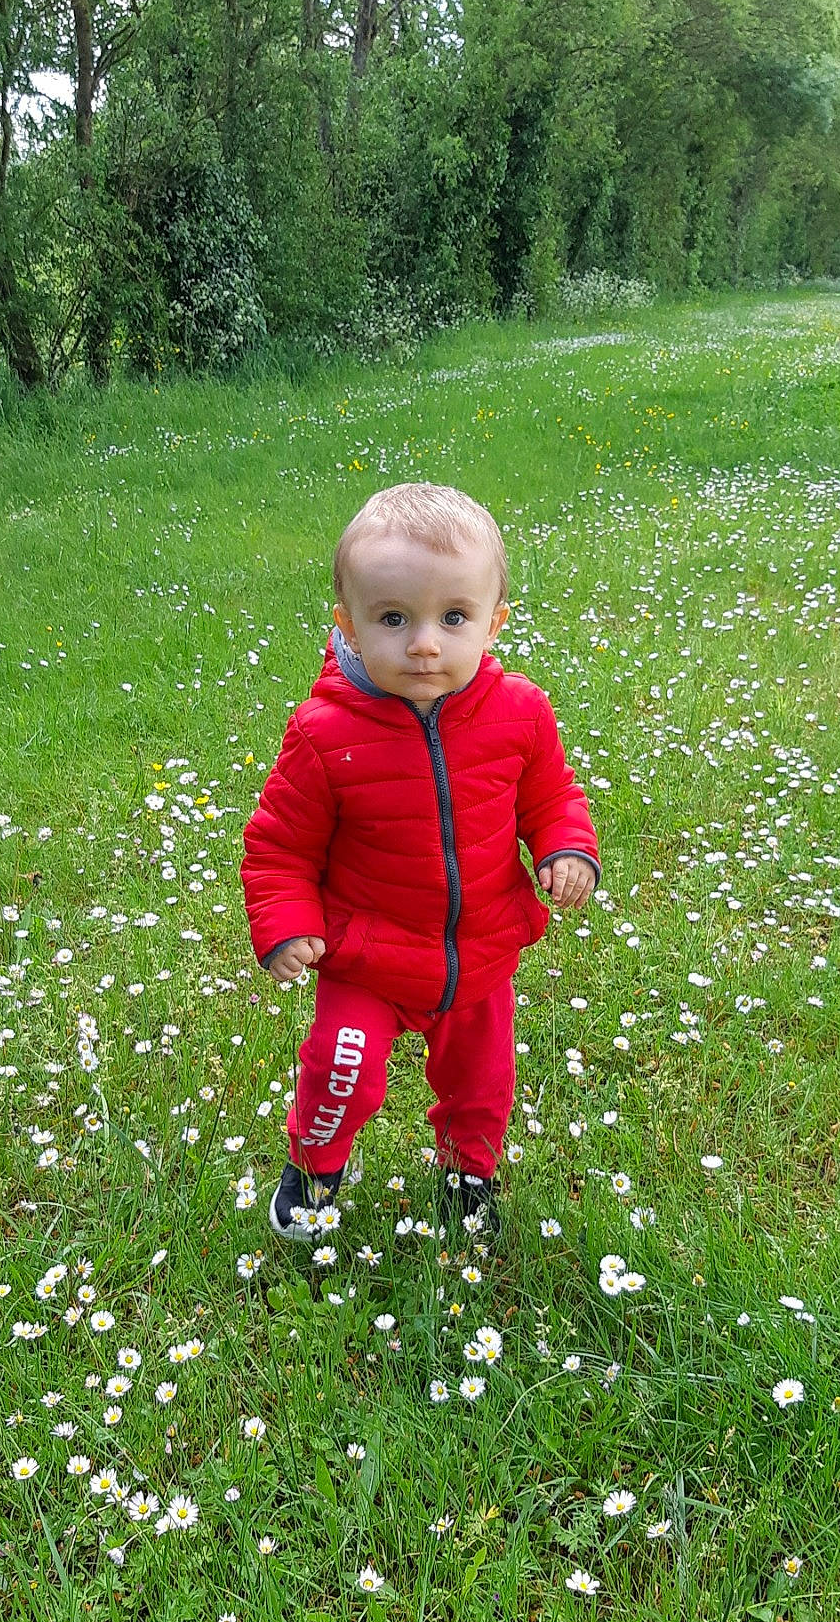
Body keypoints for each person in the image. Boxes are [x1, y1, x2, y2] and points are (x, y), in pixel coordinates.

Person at [241, 482, 601, 1241]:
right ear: (348, 624)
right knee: (344, 1073)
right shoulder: (322, 733)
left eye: (453, 617)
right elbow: (280, 843)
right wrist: (285, 925)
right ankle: (314, 1167)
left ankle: (468, 1174)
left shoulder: (520, 713)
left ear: (493, 622)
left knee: (481, 1084)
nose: (424, 643)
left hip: (477, 954)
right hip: (365, 957)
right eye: (394, 618)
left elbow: (550, 796)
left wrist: (566, 847)